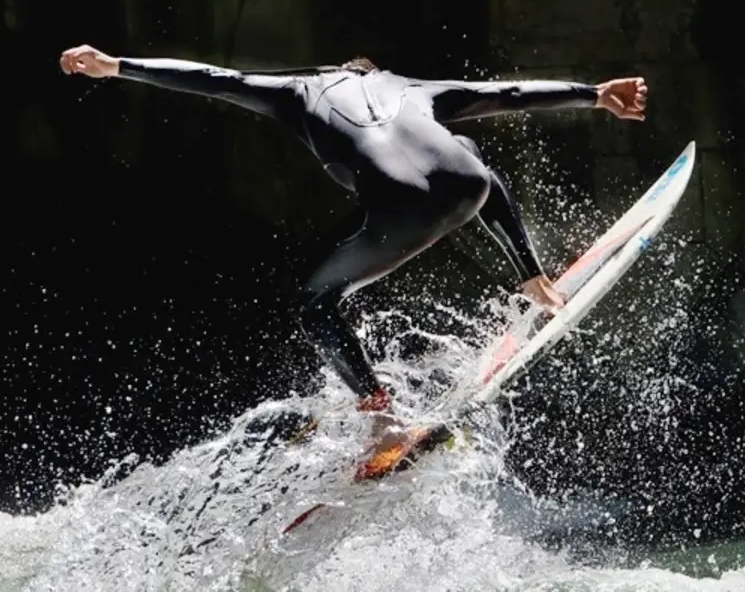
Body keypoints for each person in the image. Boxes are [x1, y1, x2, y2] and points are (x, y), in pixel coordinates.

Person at [59, 45, 648, 455]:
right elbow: (508, 92)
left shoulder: (296, 91)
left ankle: (382, 418)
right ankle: (533, 279)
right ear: (375, 72)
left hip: (400, 212)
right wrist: (595, 94)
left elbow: (217, 79)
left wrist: (117, 67)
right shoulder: (412, 86)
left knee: (314, 303)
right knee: (470, 150)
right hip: (469, 186)